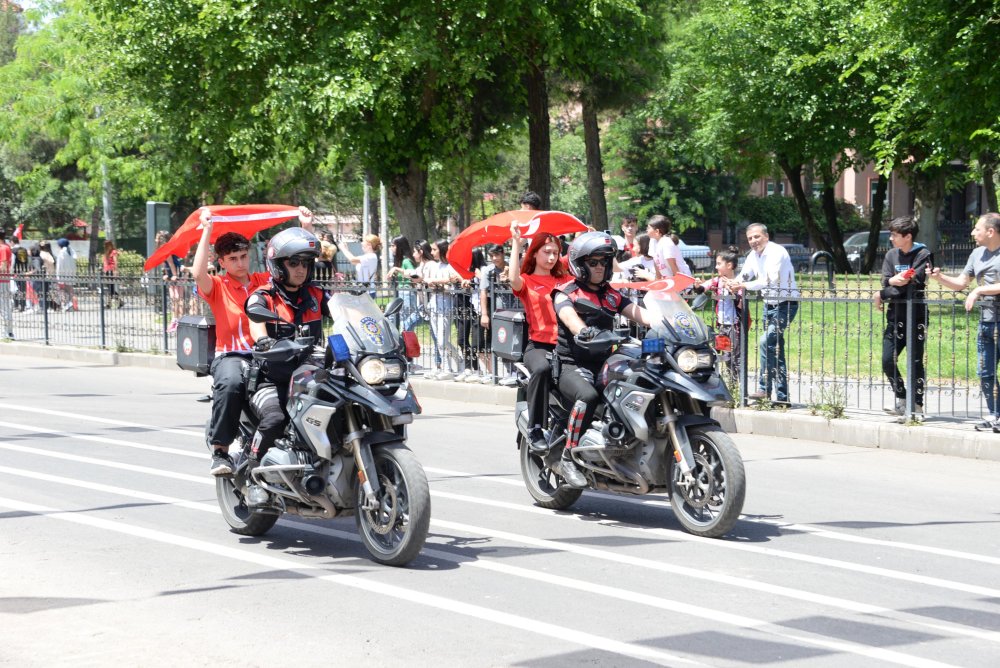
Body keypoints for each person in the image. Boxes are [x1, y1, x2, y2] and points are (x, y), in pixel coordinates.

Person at [192, 205, 314, 476]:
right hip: (233, 355)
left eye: (244, 256)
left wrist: (305, 228)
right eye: (232, 258)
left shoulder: (263, 281)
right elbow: (198, 274)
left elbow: (294, 266)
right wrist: (207, 230)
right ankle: (220, 451)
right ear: (222, 262)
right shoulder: (218, 286)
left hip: (271, 353)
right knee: (231, 383)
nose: (240, 263)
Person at [552, 232, 651, 488]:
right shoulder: (566, 293)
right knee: (588, 396)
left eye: (604, 262)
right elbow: (569, 317)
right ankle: (568, 457)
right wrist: (583, 331)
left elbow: (640, 314)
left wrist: (671, 323)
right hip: (572, 364)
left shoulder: (611, 295)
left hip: (606, 363)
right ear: (579, 264)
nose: (599, 267)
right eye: (593, 262)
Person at [242, 227, 331, 502]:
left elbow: (345, 313)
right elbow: (256, 327)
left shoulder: (316, 295)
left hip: (310, 376)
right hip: (273, 378)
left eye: (305, 263)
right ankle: (253, 476)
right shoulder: (263, 297)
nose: (301, 269)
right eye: (294, 262)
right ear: (278, 265)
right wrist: (265, 342)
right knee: (276, 418)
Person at [929, 212, 1000, 431]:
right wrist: (939, 278)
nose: (972, 232)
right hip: (987, 321)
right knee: (985, 372)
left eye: (977, 228)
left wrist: (978, 290)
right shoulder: (977, 254)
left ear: (990, 231)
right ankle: (996, 415)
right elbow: (961, 283)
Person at [509, 221, 568, 453]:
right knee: (542, 369)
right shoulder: (527, 281)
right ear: (534, 253)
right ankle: (535, 428)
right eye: (547, 252)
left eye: (556, 253)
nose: (552, 257)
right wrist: (516, 243)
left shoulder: (565, 281)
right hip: (539, 346)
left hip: (566, 346)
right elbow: (513, 278)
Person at [727, 223, 800, 406]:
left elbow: (770, 279)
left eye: (757, 236)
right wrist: (733, 283)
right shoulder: (753, 255)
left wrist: (743, 285)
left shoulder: (777, 252)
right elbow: (745, 275)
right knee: (775, 350)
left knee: (765, 341)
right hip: (768, 305)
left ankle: (764, 389)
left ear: (766, 236)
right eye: (750, 238)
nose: (753, 241)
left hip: (786, 304)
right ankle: (782, 398)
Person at [874, 216, 932, 420]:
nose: (891, 238)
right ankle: (902, 398)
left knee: (915, 362)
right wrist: (891, 282)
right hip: (895, 316)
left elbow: (913, 283)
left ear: (908, 236)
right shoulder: (891, 255)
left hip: (916, 316)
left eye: (895, 235)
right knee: (887, 360)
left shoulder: (923, 254)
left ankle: (916, 405)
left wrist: (883, 293)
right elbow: (885, 280)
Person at [696, 246, 746, 378]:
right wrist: (697, 285)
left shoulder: (738, 283)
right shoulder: (716, 281)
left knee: (736, 357)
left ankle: (739, 383)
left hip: (735, 326)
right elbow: (702, 289)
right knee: (725, 356)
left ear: (729, 265)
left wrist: (732, 290)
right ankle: (731, 381)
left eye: (719, 264)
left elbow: (741, 305)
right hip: (722, 325)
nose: (716, 267)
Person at [422, 239, 463, 379]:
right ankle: (452, 363)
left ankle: (448, 368)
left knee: (442, 339)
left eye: (435, 249)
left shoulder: (450, 266)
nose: (432, 252)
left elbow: (453, 281)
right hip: (434, 303)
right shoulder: (435, 266)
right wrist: (432, 283)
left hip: (446, 304)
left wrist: (437, 282)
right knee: (438, 339)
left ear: (442, 250)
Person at [646, 215, 690, 279]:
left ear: (657, 231)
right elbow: (656, 264)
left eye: (649, 228)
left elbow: (673, 266)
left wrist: (678, 282)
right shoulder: (653, 241)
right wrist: (657, 281)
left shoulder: (666, 242)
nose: (646, 230)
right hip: (668, 279)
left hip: (682, 279)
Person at [54, 238, 77, 312]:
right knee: (70, 290)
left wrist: (58, 275)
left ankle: (64, 305)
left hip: (63, 274)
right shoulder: (71, 251)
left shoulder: (62, 252)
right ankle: (71, 305)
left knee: (62, 290)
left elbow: (59, 265)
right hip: (71, 274)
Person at [102, 240, 124, 309]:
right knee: (110, 288)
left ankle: (110, 304)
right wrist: (104, 271)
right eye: (105, 246)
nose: (106, 247)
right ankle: (119, 302)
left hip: (111, 270)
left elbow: (115, 261)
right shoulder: (106, 253)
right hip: (107, 271)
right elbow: (105, 262)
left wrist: (116, 270)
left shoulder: (113, 252)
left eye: (107, 245)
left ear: (110, 245)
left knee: (111, 288)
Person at [0, 230, 11, 337]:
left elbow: (3, 267)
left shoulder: (3, 248)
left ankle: (7, 332)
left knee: (4, 306)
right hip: (3, 280)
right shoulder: (5, 247)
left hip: (2, 280)